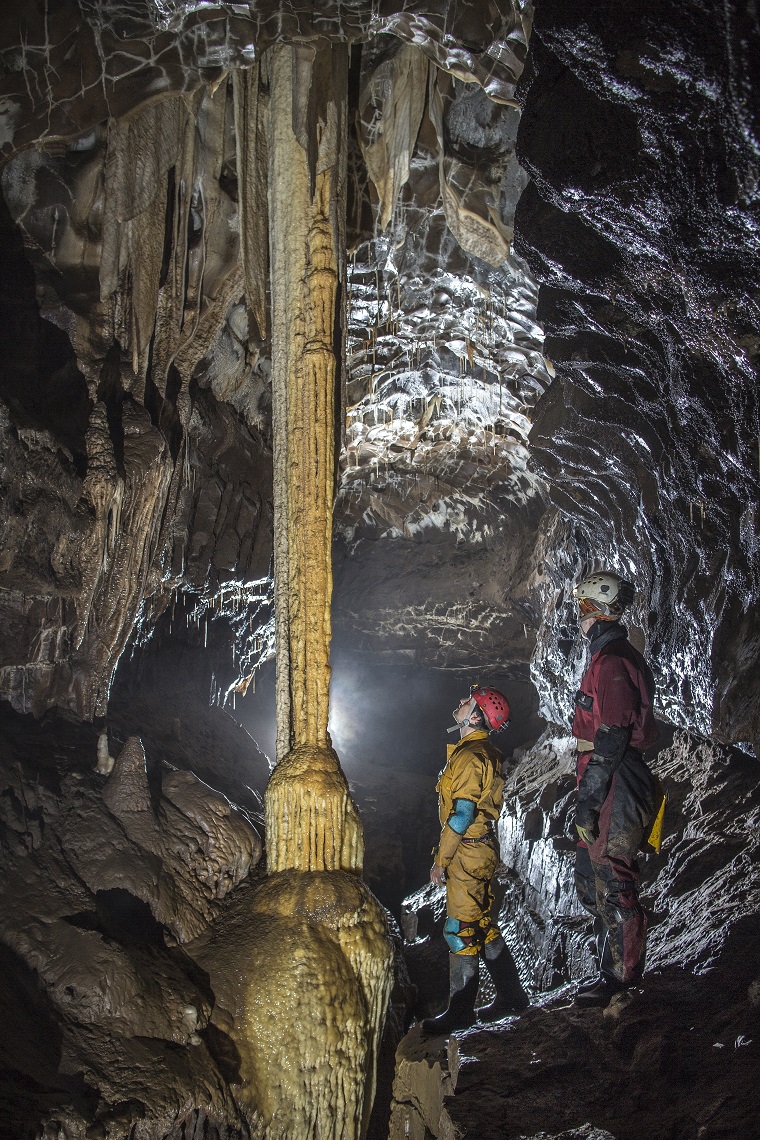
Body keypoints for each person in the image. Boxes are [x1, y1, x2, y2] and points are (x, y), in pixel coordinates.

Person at [571, 571, 662, 1008]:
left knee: (615, 876)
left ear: (593, 609)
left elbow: (612, 735)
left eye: (582, 608)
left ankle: (625, 979)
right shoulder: (605, 657)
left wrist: (589, 799)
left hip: (617, 779)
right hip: (605, 775)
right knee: (599, 875)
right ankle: (609, 972)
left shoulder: (611, 662)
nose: (579, 617)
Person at [421, 684, 528, 1035]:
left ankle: (461, 1010)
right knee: (482, 924)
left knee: (459, 930)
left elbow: (461, 814)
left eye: (469, 701)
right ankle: (512, 996)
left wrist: (441, 858)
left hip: (466, 852)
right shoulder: (482, 752)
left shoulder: (469, 758)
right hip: (480, 849)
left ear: (476, 716)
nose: (461, 701)